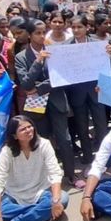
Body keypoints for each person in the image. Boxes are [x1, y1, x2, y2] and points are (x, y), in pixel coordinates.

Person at [15, 20, 85, 190]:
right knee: (40, 141)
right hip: (35, 104)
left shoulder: (55, 52)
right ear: (30, 35)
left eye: (43, 32)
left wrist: (39, 87)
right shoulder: (21, 57)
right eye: (37, 33)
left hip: (56, 99)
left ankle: (70, 174)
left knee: (65, 139)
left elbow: (62, 77)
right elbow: (25, 83)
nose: (41, 36)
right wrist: (38, 61)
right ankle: (44, 177)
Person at [0, 115, 69, 221]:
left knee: (63, 199)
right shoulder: (7, 152)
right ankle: (39, 214)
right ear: (14, 135)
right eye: (23, 129)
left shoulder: (44, 144)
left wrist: (55, 201)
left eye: (30, 127)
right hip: (14, 195)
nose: (29, 130)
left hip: (40, 192)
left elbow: (55, 173)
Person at [66, 15, 107, 159]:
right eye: (73, 27)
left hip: (96, 90)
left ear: (87, 27)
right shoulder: (65, 47)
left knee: (101, 125)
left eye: (79, 27)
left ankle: (105, 159)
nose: (76, 30)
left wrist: (110, 55)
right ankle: (88, 156)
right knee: (82, 127)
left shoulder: (98, 44)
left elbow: (105, 67)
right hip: (77, 92)